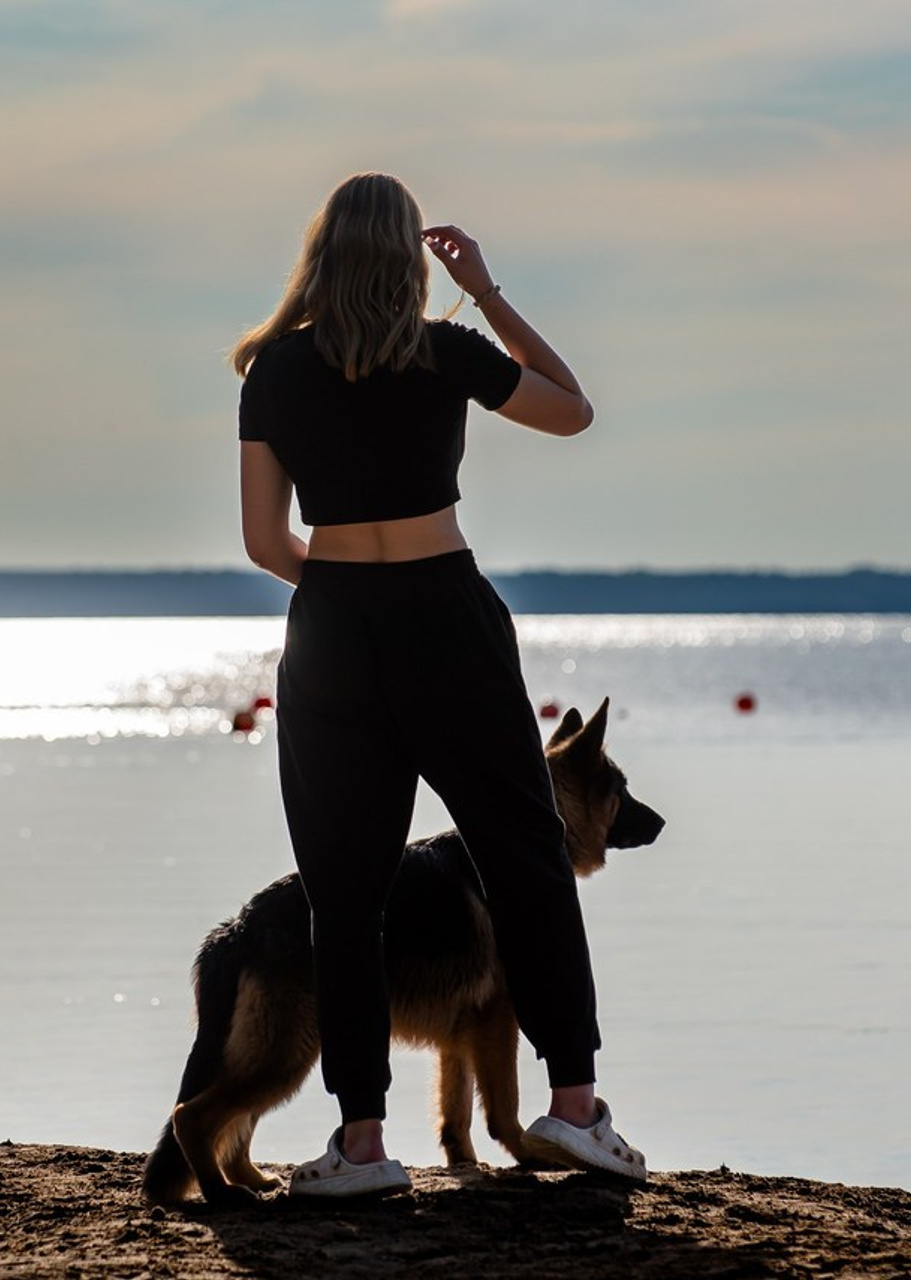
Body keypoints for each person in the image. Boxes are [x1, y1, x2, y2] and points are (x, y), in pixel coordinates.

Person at [234, 172, 646, 1197]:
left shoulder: (271, 370)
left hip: (330, 628)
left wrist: (340, 589)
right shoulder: (443, 347)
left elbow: (258, 540)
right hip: (447, 616)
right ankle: (575, 1109)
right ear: (409, 259)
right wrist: (490, 292)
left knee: (345, 891)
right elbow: (572, 410)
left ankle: (364, 1145)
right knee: (528, 859)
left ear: (320, 252)